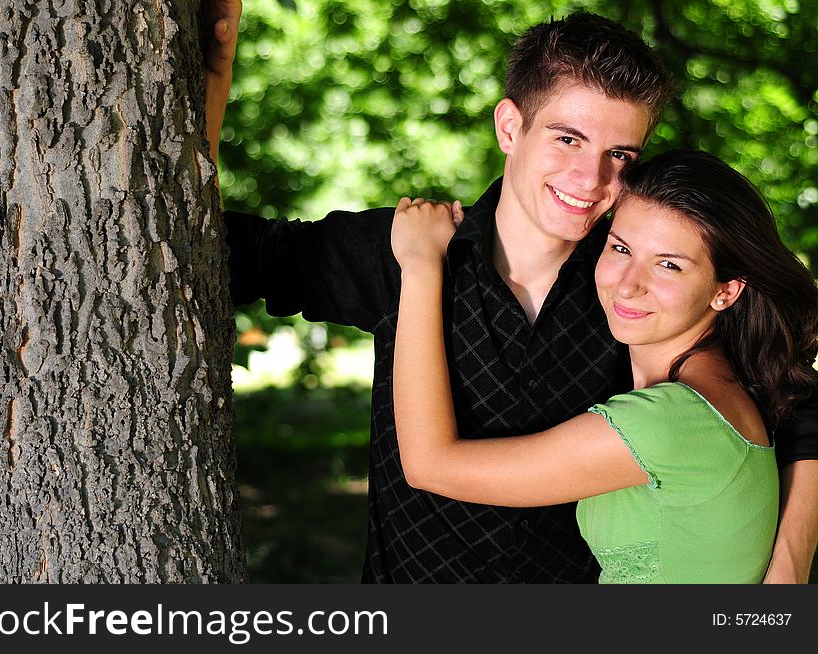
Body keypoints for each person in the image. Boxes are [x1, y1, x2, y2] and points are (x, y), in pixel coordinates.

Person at [203, 2, 818, 582]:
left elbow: (792, 400)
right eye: (567, 138)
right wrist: (213, 80)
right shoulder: (403, 250)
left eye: (619, 154)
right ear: (510, 128)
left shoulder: (634, 294)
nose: (590, 178)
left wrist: (787, 572)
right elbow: (205, 250)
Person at [390, 149, 818, 582]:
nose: (628, 285)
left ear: (725, 291)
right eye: (620, 248)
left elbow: (429, 465)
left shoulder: (667, 423)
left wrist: (421, 265)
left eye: (668, 265)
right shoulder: (719, 395)